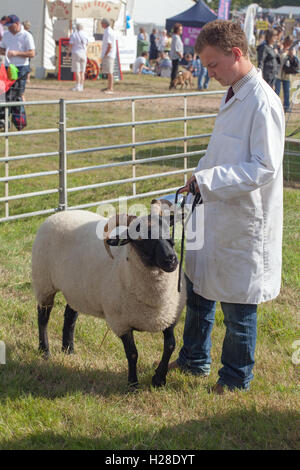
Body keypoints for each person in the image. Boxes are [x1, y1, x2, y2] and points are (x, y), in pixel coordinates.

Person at [168, 20, 285, 395]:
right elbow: (221, 150)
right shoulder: (234, 91)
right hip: (215, 211)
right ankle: (193, 359)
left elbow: (263, 166)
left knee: (237, 306)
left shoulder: (263, 101)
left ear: (236, 54)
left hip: (243, 219)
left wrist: (211, 180)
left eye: (213, 64)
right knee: (200, 289)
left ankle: (235, 378)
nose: (209, 72)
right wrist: (199, 175)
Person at [0, 14, 35, 98]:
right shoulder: (6, 34)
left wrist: (16, 53)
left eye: (10, 26)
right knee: (6, 93)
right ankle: (7, 110)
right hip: (8, 67)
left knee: (18, 94)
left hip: (21, 67)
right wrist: (6, 52)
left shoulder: (26, 35)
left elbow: (32, 53)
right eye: (7, 26)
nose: (9, 28)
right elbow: (1, 49)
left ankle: (20, 111)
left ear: (17, 23)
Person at [275, 36, 296, 112]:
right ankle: (275, 107)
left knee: (286, 92)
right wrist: (282, 51)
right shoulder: (280, 48)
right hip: (279, 74)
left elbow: (294, 61)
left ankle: (286, 107)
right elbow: (277, 58)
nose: (288, 44)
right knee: (277, 91)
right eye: (287, 42)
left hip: (287, 74)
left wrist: (291, 55)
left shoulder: (292, 49)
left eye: (289, 43)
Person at [67, 23, 89, 92]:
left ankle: (77, 86)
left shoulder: (74, 35)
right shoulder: (85, 34)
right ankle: (81, 86)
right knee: (82, 71)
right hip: (83, 53)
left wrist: (68, 53)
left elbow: (71, 45)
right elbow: (87, 44)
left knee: (77, 70)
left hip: (76, 52)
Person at [100, 18, 116, 94]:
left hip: (109, 54)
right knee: (108, 71)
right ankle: (109, 86)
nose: (101, 25)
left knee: (110, 71)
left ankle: (111, 88)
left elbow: (109, 45)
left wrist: (106, 54)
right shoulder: (108, 31)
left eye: (101, 23)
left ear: (104, 24)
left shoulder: (108, 32)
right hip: (108, 54)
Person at [169, 23, 183, 89]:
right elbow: (177, 48)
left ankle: (173, 83)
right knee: (174, 71)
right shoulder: (176, 38)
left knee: (174, 71)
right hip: (176, 56)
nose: (181, 31)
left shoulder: (175, 36)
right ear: (177, 30)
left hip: (174, 56)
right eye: (180, 29)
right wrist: (181, 55)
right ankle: (173, 84)